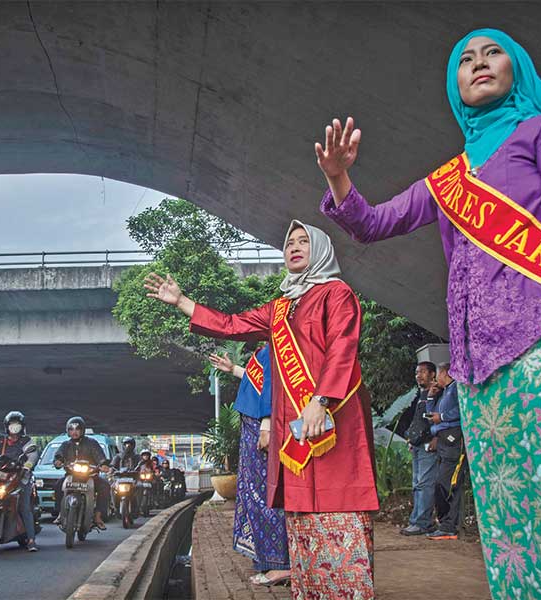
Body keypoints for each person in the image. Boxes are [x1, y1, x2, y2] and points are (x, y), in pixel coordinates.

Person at [315, 28, 541, 599]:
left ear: (519, 70)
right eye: (465, 59)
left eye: (493, 53)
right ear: (454, 84)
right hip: (478, 374)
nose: (479, 63)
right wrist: (340, 178)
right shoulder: (448, 178)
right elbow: (374, 223)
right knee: (507, 525)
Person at [145, 220, 378, 599]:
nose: (295, 247)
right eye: (289, 243)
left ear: (320, 249)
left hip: (333, 416)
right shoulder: (281, 307)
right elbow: (233, 325)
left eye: (304, 241)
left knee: (339, 499)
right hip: (296, 427)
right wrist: (183, 302)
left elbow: (342, 349)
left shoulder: (337, 294)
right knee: (301, 507)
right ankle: (311, 588)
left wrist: (320, 400)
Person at [209, 347, 291, 586]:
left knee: (265, 494)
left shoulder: (279, 347)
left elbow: (274, 388)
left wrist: (266, 425)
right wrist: (233, 369)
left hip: (261, 427)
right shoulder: (267, 349)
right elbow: (262, 381)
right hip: (254, 426)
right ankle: (269, 562)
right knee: (255, 493)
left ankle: (280, 565)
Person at [0, 411, 39, 552]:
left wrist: (27, 465)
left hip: (21, 478)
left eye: (17, 425)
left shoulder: (26, 441)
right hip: (2, 478)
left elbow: (32, 456)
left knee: (24, 507)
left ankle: (31, 540)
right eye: (11, 425)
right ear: (6, 426)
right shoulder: (1, 442)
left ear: (22, 426)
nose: (14, 428)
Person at [425, 363, 466, 540]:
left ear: (445, 373)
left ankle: (449, 526)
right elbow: (431, 417)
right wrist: (430, 398)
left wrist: (442, 417)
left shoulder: (457, 388)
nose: (436, 380)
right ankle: (445, 524)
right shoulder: (444, 392)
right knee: (441, 483)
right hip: (442, 439)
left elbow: (462, 408)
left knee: (448, 483)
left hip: (454, 438)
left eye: (438, 375)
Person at [398, 361, 439, 536]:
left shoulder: (437, 393)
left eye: (422, 372)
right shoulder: (421, 394)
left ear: (432, 374)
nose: (418, 376)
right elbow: (417, 421)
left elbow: (439, 417)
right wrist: (411, 439)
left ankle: (422, 523)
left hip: (428, 444)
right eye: (416, 373)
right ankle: (417, 520)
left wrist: (436, 438)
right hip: (417, 444)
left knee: (425, 483)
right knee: (417, 484)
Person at [52, 416, 107, 529]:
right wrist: (58, 461)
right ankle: (60, 513)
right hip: (71, 475)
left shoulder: (92, 443)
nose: (74, 432)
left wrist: (103, 464)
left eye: (77, 429)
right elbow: (59, 455)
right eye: (71, 429)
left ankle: (98, 516)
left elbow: (100, 456)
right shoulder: (65, 444)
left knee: (105, 486)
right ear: (68, 431)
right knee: (58, 485)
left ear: (82, 430)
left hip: (90, 476)